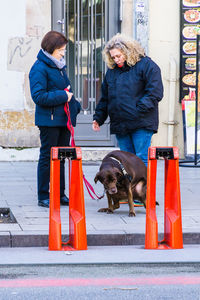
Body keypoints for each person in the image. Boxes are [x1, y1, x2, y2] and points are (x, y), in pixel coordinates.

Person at [92, 33, 164, 167]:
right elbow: (105, 97)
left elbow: (155, 92)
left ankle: (141, 189)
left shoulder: (147, 65)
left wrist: (137, 110)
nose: (116, 60)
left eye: (118, 56)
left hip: (141, 122)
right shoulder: (112, 71)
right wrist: (98, 118)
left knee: (140, 160)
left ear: (128, 51)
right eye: (113, 57)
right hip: (121, 124)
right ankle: (130, 189)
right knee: (126, 162)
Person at [29, 31, 81, 208]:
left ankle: (60, 193)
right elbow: (39, 96)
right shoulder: (39, 68)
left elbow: (67, 90)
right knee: (47, 157)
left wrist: (75, 105)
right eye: (60, 50)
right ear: (50, 49)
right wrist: (63, 96)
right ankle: (43, 195)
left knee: (61, 157)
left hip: (63, 120)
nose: (63, 53)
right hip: (48, 121)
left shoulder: (60, 67)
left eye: (64, 50)